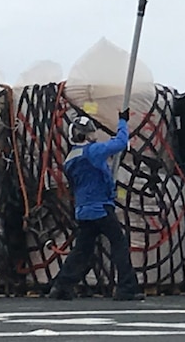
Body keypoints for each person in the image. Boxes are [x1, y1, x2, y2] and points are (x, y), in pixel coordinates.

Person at [48, 114, 143, 301]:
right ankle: (126, 287)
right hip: (100, 207)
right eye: (91, 132)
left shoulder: (70, 159)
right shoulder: (93, 151)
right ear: (85, 135)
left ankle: (62, 286)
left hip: (83, 210)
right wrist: (122, 121)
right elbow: (121, 143)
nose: (94, 135)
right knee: (119, 243)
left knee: (82, 250)